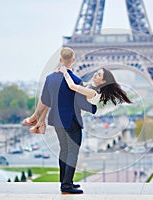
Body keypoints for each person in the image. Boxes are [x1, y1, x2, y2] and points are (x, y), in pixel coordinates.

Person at [28, 47, 97, 194]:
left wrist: (38, 117)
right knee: (72, 152)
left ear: (60, 60)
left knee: (64, 150)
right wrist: (94, 107)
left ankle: (65, 182)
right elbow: (80, 102)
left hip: (56, 120)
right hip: (71, 120)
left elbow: (44, 100)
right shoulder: (76, 81)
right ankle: (66, 186)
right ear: (73, 60)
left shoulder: (50, 79)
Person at [23, 66, 132, 134]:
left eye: (98, 74)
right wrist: (68, 71)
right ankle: (39, 122)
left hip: (70, 114)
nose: (95, 74)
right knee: (50, 88)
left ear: (103, 81)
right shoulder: (90, 87)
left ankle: (37, 119)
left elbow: (73, 86)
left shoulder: (93, 93)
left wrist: (65, 72)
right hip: (69, 110)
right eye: (96, 72)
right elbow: (78, 83)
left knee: (50, 88)